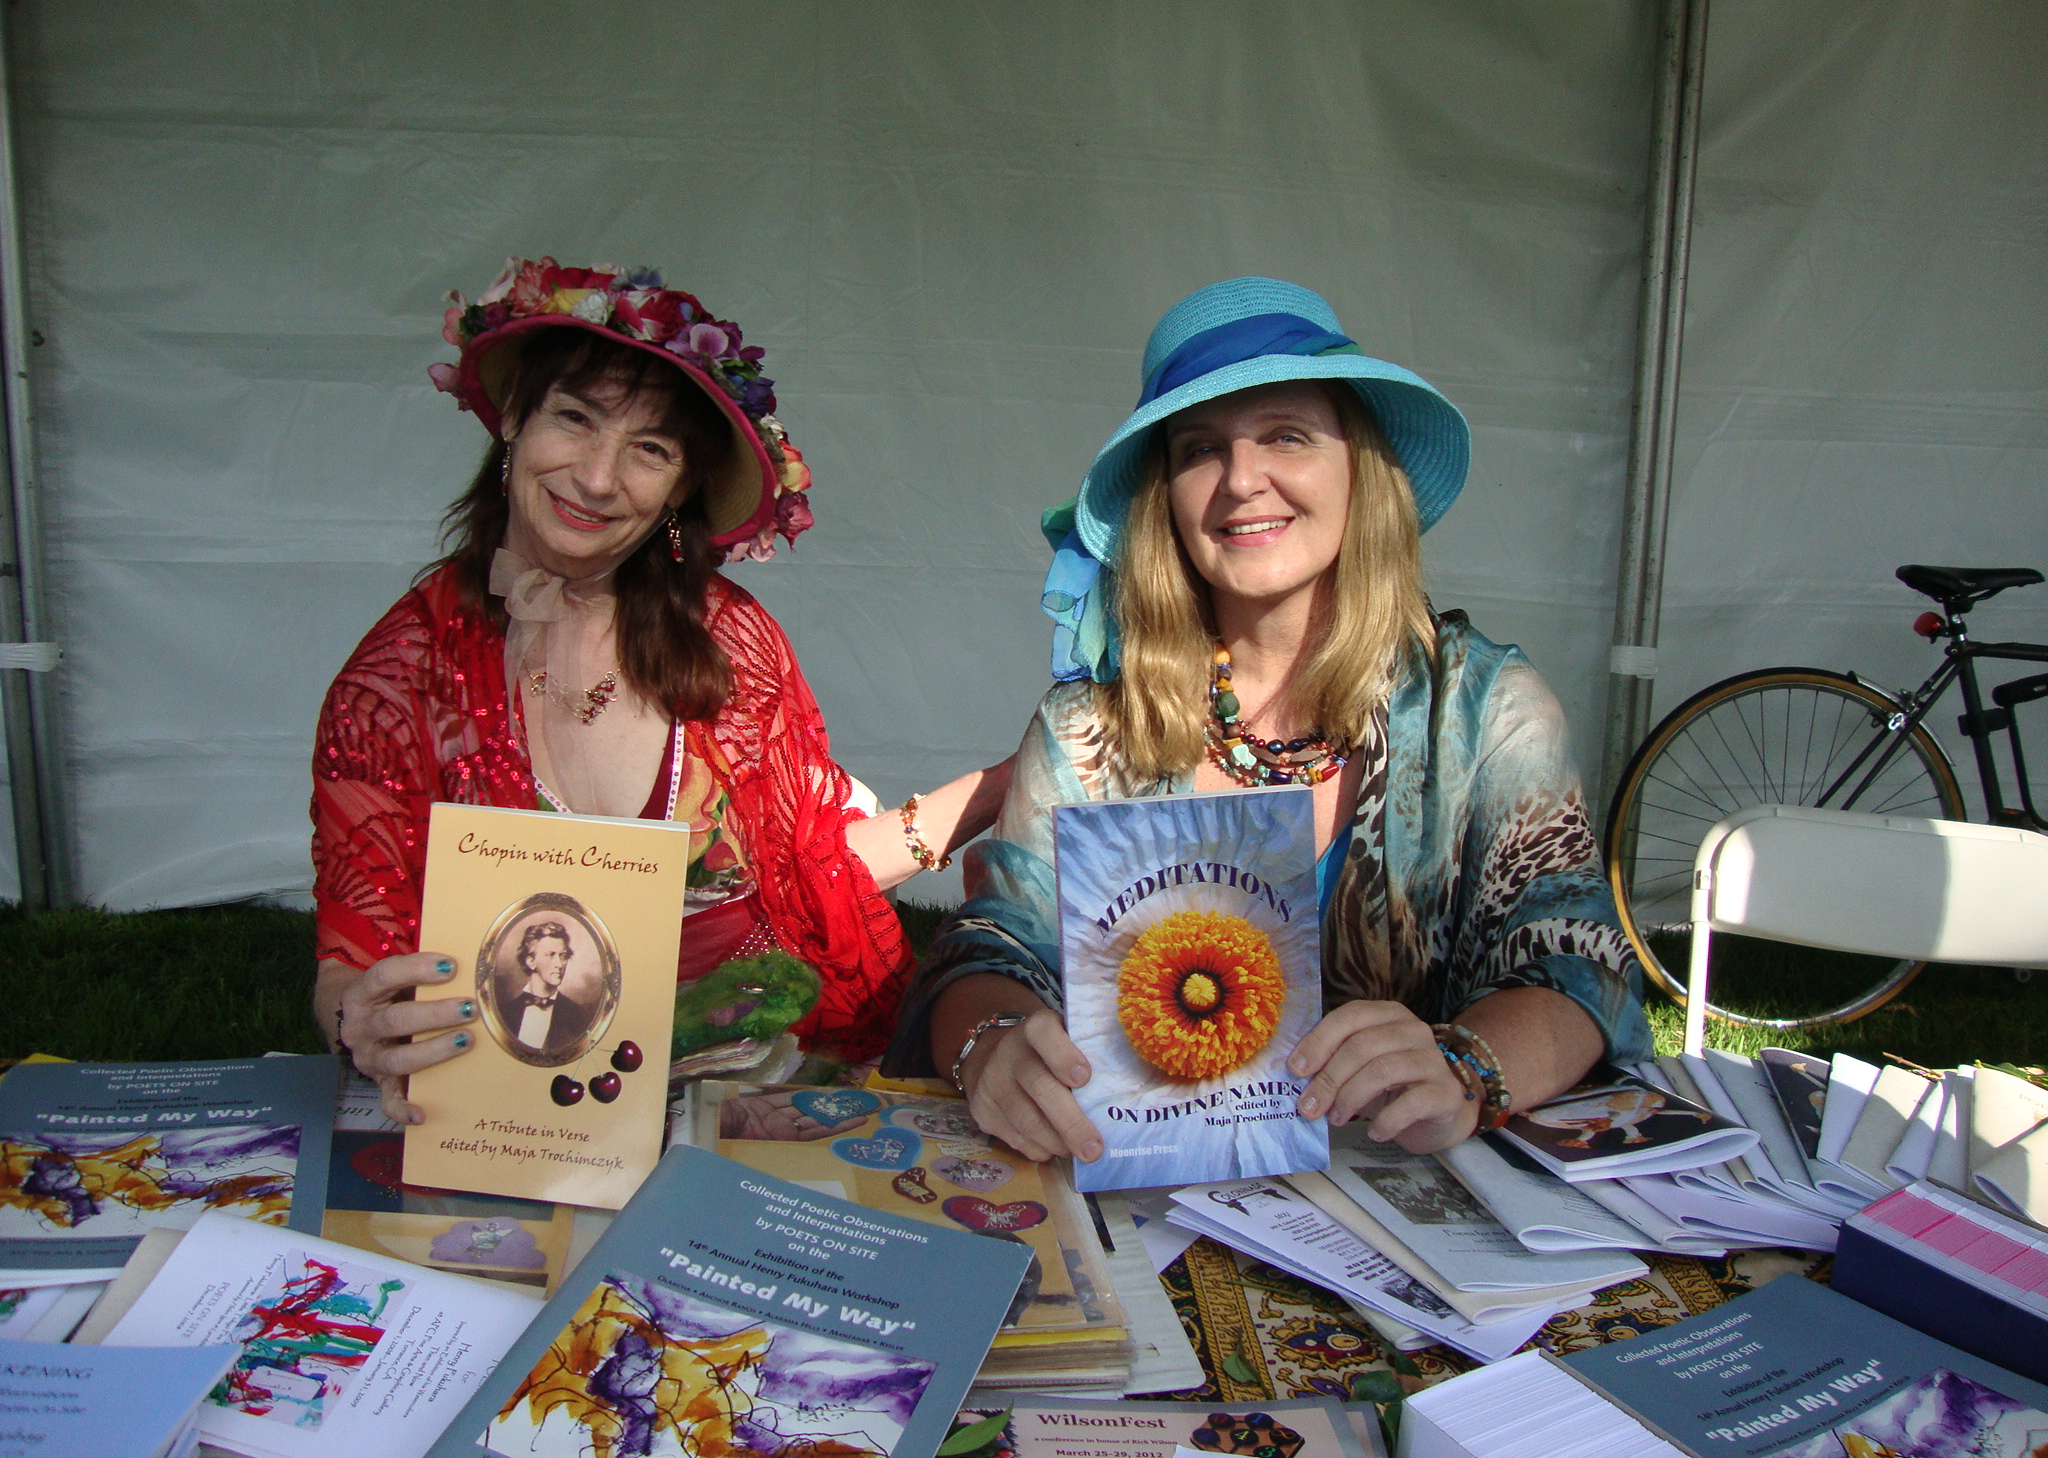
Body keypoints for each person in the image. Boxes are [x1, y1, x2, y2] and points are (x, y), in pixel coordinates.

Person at [884, 277, 1649, 1159]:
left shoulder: (1484, 715)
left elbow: (1578, 956)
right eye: (1200, 448)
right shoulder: (1091, 732)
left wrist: (1470, 1065)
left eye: (1286, 434)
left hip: (1416, 1200)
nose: (1242, 480)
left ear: (1360, 464)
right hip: (1153, 1211)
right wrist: (992, 1048)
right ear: (1163, 496)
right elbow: (994, 948)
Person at [316, 258, 1011, 1120]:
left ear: (683, 487)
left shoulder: (730, 639)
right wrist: (359, 1019)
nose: (599, 478)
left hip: (759, 1082)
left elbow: (817, 870)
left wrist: (1010, 781)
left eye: (650, 448)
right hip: (523, 1113)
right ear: (514, 427)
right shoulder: (397, 681)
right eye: (574, 419)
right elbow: (354, 954)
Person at [503, 920, 596, 1058]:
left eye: (563, 956)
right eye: (550, 955)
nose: (559, 964)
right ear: (531, 962)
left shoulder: (578, 1016)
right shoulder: (505, 1013)